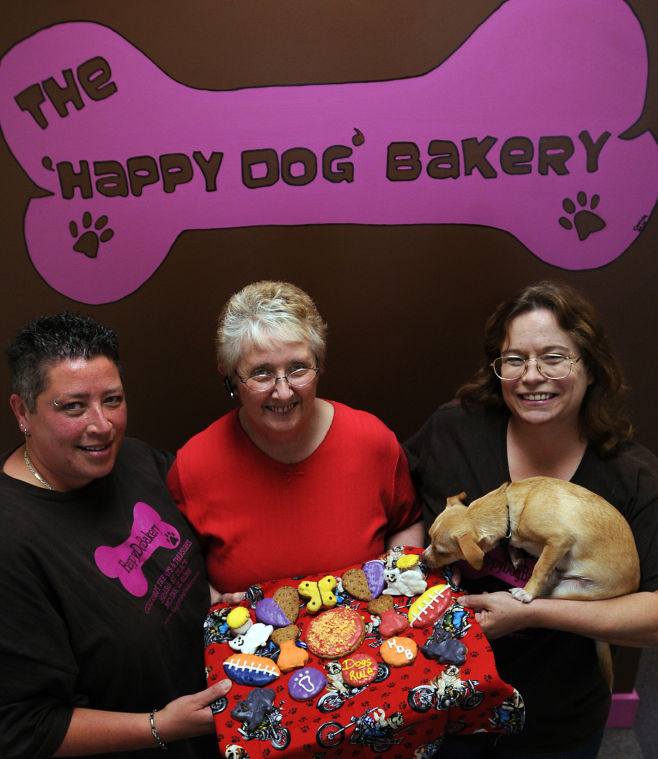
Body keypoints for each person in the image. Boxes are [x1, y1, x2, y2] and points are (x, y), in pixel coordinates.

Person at [404, 281, 658, 758]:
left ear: (591, 368)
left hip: (555, 721)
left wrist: (535, 611)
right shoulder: (454, 430)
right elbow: (395, 496)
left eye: (554, 357)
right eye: (515, 359)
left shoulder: (632, 477)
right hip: (444, 703)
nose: (531, 376)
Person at [0, 312, 231, 759]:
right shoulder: (11, 543)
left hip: (214, 729)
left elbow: (183, 546)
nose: (102, 425)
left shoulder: (131, 458)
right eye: (73, 406)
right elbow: (22, 725)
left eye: (112, 399)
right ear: (22, 412)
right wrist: (159, 727)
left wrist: (211, 592)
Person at [167, 281, 422, 599]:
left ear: (320, 363)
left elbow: (407, 522)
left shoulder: (373, 441)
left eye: (299, 368)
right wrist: (213, 602)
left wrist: (396, 585)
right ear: (230, 376)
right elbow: (172, 573)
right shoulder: (193, 466)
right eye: (261, 373)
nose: (283, 391)